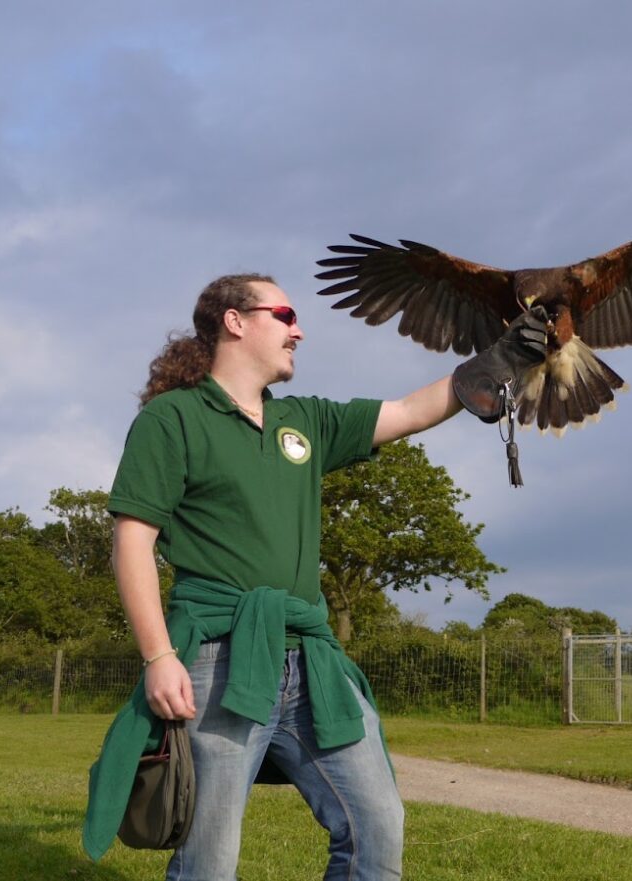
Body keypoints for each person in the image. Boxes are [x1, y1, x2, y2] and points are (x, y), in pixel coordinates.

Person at [82, 273, 546, 881]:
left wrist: (500, 359)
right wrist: (157, 656)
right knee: (209, 860)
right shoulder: (173, 420)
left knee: (377, 829)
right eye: (286, 314)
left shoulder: (304, 421)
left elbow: (407, 412)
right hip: (219, 661)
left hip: (311, 664)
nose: (299, 329)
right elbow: (132, 544)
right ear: (235, 321)